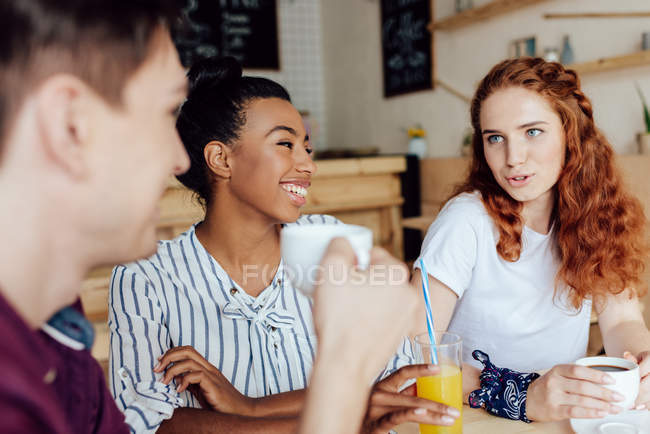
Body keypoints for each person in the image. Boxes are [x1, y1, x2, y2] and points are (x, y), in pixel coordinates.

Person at [108, 56, 456, 433]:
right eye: (285, 144)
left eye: (306, 147)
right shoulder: (144, 276)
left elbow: (396, 382)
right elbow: (142, 422)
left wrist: (249, 409)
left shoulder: (334, 243)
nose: (307, 165)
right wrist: (343, 406)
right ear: (221, 159)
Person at [412, 57, 650, 422]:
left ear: (571, 134)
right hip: (475, 420)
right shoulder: (465, 221)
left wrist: (642, 362)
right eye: (496, 138)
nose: (513, 158)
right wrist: (519, 393)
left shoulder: (596, 215)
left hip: (560, 421)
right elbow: (415, 352)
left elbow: (621, 323)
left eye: (532, 132)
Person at [0, 0, 190, 432]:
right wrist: (343, 371)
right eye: (166, 112)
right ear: (70, 125)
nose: (180, 160)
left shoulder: (57, 324)